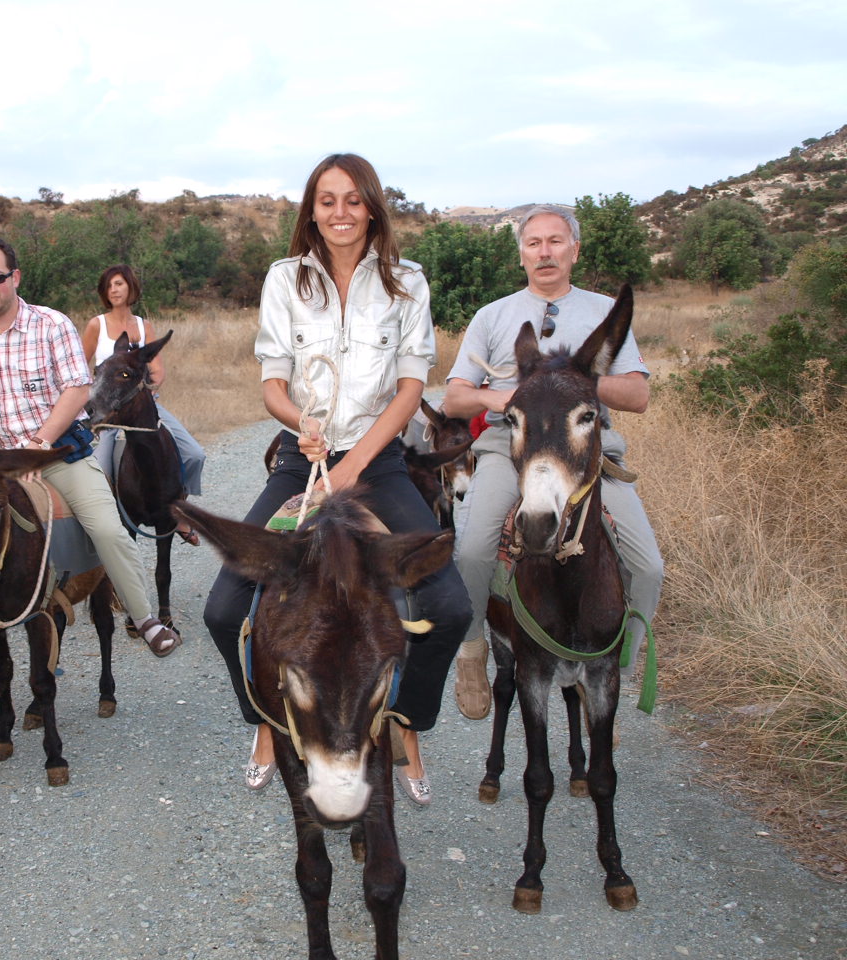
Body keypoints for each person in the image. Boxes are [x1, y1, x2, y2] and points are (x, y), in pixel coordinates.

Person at [202, 154, 473, 804]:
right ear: (311, 210)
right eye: (328, 200)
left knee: (448, 605)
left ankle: (406, 723)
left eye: (353, 200)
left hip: (377, 462)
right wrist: (302, 422)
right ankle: (267, 722)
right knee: (222, 608)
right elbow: (271, 383)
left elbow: (410, 390)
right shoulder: (285, 279)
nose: (341, 212)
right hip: (305, 456)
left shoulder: (406, 281)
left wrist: (352, 465)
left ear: (373, 206)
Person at [444, 205, 663, 720]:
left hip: (588, 456)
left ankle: (613, 666)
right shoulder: (492, 316)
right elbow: (455, 398)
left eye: (555, 241)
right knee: (473, 549)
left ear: (574, 250)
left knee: (647, 567)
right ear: (521, 253)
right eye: (533, 242)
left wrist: (567, 388)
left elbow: (637, 394)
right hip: (509, 449)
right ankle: (472, 651)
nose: (544, 252)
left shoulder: (604, 312)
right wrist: (512, 399)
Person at [0, 237, 182, 657]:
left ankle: (144, 617)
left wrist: (40, 440)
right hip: (0, 462)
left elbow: (78, 388)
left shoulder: (52, 324)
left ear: (15, 277)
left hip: (60, 450)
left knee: (107, 529)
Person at [81, 264, 206, 543]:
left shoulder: (143, 326)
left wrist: (144, 380)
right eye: (109, 285)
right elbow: (77, 368)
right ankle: (106, 528)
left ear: (131, 288)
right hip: (108, 413)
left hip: (140, 408)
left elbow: (158, 371)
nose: (114, 290)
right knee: (100, 470)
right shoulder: (96, 325)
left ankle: (179, 512)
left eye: (119, 284)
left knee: (195, 454)